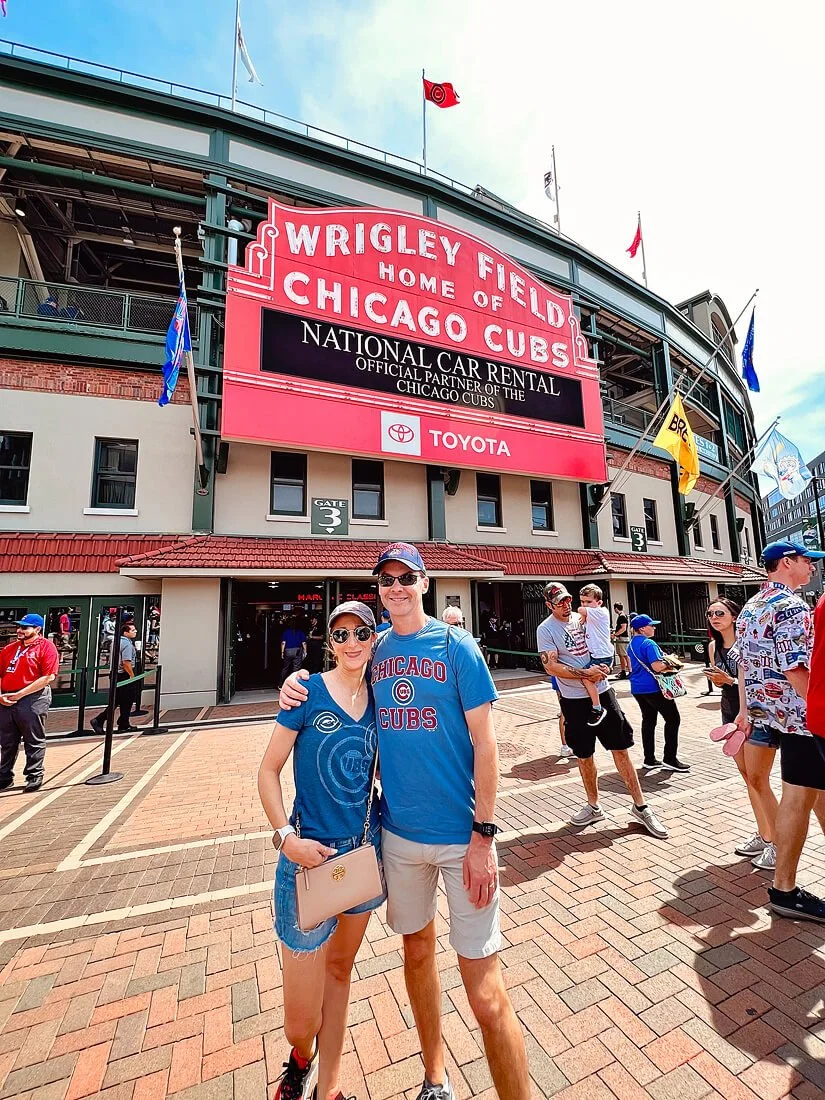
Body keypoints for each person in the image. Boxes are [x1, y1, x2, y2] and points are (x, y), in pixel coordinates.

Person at [281, 542, 531, 1100]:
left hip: (462, 838)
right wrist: (295, 684)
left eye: (405, 577)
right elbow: (338, 678)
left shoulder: (457, 646)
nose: (395, 587)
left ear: (424, 582)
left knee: (486, 997)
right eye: (386, 579)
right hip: (395, 836)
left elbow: (486, 745)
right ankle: (435, 1077)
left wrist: (483, 836)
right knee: (416, 952)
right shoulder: (375, 651)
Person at [259, 602, 385, 1100]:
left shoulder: (381, 698)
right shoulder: (306, 692)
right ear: (329, 642)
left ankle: (327, 1088)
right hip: (307, 860)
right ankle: (300, 1056)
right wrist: (285, 838)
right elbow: (268, 770)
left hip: (362, 855)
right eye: (341, 634)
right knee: (300, 1020)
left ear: (373, 639)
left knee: (340, 972)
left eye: (361, 633)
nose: (352, 643)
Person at [735, 540, 825, 922]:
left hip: (772, 715)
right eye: (807, 561)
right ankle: (784, 889)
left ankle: (784, 888)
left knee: (812, 794)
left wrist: (746, 711)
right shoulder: (792, 606)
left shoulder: (752, 605)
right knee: (799, 797)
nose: (812, 568)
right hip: (802, 717)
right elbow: (795, 668)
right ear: (787, 563)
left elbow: (742, 663)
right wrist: (818, 707)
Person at [537, 584, 668, 838]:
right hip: (574, 700)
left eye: (567, 600)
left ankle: (641, 806)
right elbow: (550, 666)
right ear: (549, 605)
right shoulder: (546, 629)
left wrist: (604, 667)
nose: (565, 605)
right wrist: (586, 673)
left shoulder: (584, 617)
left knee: (621, 748)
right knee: (584, 755)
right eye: (559, 602)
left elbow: (600, 642)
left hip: (603, 692)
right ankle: (593, 805)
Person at [706, 598, 778, 870]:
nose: (714, 617)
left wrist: (731, 680)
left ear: (735, 616)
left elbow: (756, 679)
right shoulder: (713, 646)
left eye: (720, 613)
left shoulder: (747, 641)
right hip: (730, 712)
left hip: (755, 712)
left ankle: (778, 842)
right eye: (710, 613)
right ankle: (764, 834)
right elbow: (724, 684)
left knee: (759, 779)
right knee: (748, 777)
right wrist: (720, 681)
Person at [0, 614, 60, 793]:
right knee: (7, 740)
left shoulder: (47, 647)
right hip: (7, 698)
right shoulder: (9, 649)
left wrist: (20, 694)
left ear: (37, 629)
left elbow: (48, 677)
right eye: (19, 627)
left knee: (33, 738)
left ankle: (34, 775)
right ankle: (4, 777)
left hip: (33, 698)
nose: (20, 630)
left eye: (25, 627)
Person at [627, 615, 689, 773]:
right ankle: (670, 758)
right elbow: (657, 666)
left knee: (648, 720)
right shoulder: (649, 643)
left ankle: (649, 758)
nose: (654, 628)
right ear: (642, 628)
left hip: (638, 687)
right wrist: (671, 662)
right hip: (654, 688)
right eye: (651, 625)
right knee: (673, 719)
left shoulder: (631, 644)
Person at [91, 621, 140, 734]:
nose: (135, 631)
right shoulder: (127, 644)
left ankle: (122, 722)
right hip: (123, 674)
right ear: (125, 632)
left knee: (117, 700)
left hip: (115, 674)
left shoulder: (116, 642)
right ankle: (104, 720)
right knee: (126, 700)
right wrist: (132, 676)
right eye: (133, 630)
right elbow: (126, 662)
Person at [577, 584, 615, 725]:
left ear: (599, 602)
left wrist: (583, 613)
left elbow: (580, 610)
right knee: (592, 679)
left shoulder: (600, 612)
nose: (584, 604)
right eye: (582, 601)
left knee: (586, 678)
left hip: (601, 655)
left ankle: (597, 707)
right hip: (597, 655)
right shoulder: (591, 615)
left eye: (588, 601)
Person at [280, 618, 307, 687]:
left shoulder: (286, 632)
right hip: (297, 650)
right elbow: (304, 643)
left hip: (288, 650)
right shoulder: (300, 632)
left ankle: (281, 683)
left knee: (285, 667)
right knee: (296, 668)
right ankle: (295, 684)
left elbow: (283, 643)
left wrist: (282, 652)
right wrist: (305, 651)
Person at [612, 603, 630, 679]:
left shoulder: (622, 616)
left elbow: (623, 628)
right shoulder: (622, 616)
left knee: (624, 655)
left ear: (616, 608)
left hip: (622, 638)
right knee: (621, 655)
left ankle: (630, 671)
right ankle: (623, 671)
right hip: (621, 638)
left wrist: (615, 634)